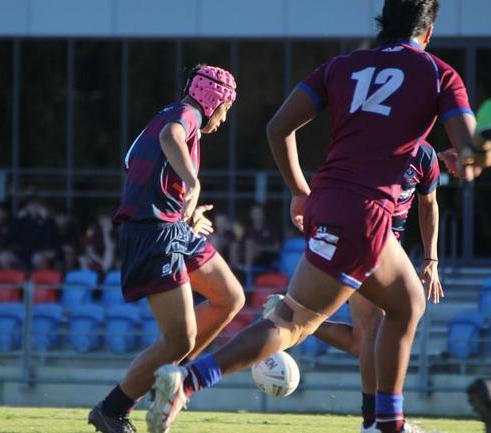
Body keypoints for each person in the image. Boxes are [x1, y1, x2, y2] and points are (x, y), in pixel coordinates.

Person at [147, 2, 491, 433]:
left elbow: (278, 128)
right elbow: (468, 156)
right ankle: (190, 380)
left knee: (402, 303)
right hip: (367, 212)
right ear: (430, 29)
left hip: (327, 200)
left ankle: (384, 422)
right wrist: (481, 155)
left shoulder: (342, 66)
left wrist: (298, 192)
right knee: (297, 323)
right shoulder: (440, 73)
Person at [88, 65, 245, 433]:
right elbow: (172, 138)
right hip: (154, 234)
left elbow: (148, 178)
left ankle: (174, 383)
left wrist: (183, 211)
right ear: (213, 101)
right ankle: (112, 411)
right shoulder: (184, 115)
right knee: (181, 338)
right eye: (226, 110)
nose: (224, 120)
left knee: (230, 297)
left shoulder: (168, 115)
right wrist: (192, 181)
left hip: (171, 226)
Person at [293, 141, 444, 433]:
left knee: (362, 343)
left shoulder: (425, 155)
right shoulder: (368, 141)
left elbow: (429, 205)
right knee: (375, 330)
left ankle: (295, 318)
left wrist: (431, 258)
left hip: (392, 250)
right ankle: (375, 421)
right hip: (359, 240)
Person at [242, 204, 281, 271]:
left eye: (259, 213)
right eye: (254, 213)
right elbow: (243, 245)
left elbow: (277, 247)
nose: (257, 215)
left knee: (250, 244)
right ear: (251, 215)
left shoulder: (270, 229)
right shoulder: (248, 230)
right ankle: (239, 268)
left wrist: (261, 248)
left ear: (263, 214)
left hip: (266, 257)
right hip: (250, 256)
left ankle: (247, 270)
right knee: (248, 243)